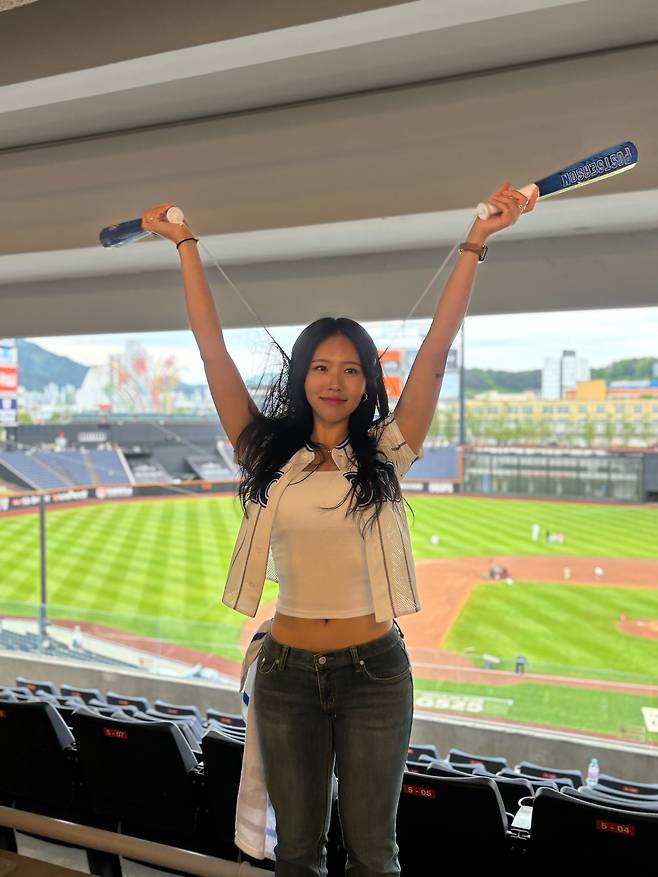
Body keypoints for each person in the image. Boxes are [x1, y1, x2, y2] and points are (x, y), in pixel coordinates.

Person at [142, 180, 536, 875]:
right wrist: (186, 244)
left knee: (374, 854)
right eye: (321, 366)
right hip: (286, 673)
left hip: (374, 672)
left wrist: (476, 240)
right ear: (302, 376)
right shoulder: (265, 451)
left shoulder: (386, 451)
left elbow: (435, 353)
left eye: (351, 369)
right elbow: (212, 354)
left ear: (366, 383)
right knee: (296, 854)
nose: (335, 379)